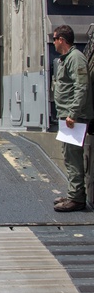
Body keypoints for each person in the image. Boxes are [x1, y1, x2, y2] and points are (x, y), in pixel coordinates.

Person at [51, 25, 94, 212]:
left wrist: (73, 114)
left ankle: (76, 199)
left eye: (54, 39)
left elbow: (81, 87)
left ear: (62, 39)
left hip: (73, 118)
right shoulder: (67, 59)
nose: (53, 42)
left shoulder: (75, 59)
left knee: (73, 157)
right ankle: (73, 193)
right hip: (68, 116)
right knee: (69, 156)